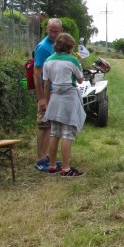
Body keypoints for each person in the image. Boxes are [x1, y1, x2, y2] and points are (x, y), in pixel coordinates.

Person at [43, 32, 86, 177]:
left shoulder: (48, 60)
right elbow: (80, 79)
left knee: (54, 133)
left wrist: (47, 102)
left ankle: (52, 165)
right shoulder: (72, 60)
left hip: (55, 97)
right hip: (69, 97)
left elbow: (46, 83)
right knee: (67, 134)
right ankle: (66, 168)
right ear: (70, 47)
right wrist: (78, 62)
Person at [33, 18, 64, 172]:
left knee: (49, 126)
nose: (53, 34)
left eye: (56, 31)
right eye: (50, 31)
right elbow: (37, 74)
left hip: (54, 91)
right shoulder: (43, 47)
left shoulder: (57, 46)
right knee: (44, 125)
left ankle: (46, 156)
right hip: (47, 93)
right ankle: (40, 159)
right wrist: (42, 98)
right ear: (46, 29)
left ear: (61, 31)